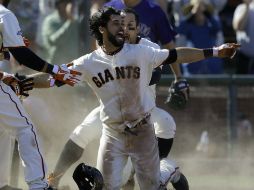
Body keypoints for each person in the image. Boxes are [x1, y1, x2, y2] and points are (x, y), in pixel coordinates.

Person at [48, 6, 237, 190]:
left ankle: (165, 169)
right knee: (84, 132)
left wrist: (212, 52)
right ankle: (53, 179)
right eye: (120, 24)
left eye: (130, 26)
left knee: (162, 137)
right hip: (112, 116)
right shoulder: (109, 47)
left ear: (139, 28)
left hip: (142, 113)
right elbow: (89, 62)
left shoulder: (146, 49)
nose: (124, 29)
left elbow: (165, 64)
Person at [0, 0, 81, 189]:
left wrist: (4, 75)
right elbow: (22, 55)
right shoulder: (4, 14)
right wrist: (54, 70)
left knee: (4, 131)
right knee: (26, 128)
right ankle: (38, 184)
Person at [176, 0, 223, 75]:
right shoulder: (188, 26)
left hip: (211, 66)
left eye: (202, 11)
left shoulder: (210, 26)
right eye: (197, 11)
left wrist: (206, 13)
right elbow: (181, 28)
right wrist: (192, 13)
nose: (199, 13)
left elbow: (218, 27)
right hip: (193, 66)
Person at [42, 0, 80, 65]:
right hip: (55, 64)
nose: (69, 5)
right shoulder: (51, 21)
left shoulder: (76, 22)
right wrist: (69, 22)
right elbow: (55, 41)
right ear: (58, 5)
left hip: (73, 64)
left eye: (71, 3)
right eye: (66, 3)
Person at [233, 0, 254, 74]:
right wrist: (247, 6)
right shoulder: (241, 8)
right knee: (242, 84)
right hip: (244, 58)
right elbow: (238, 27)